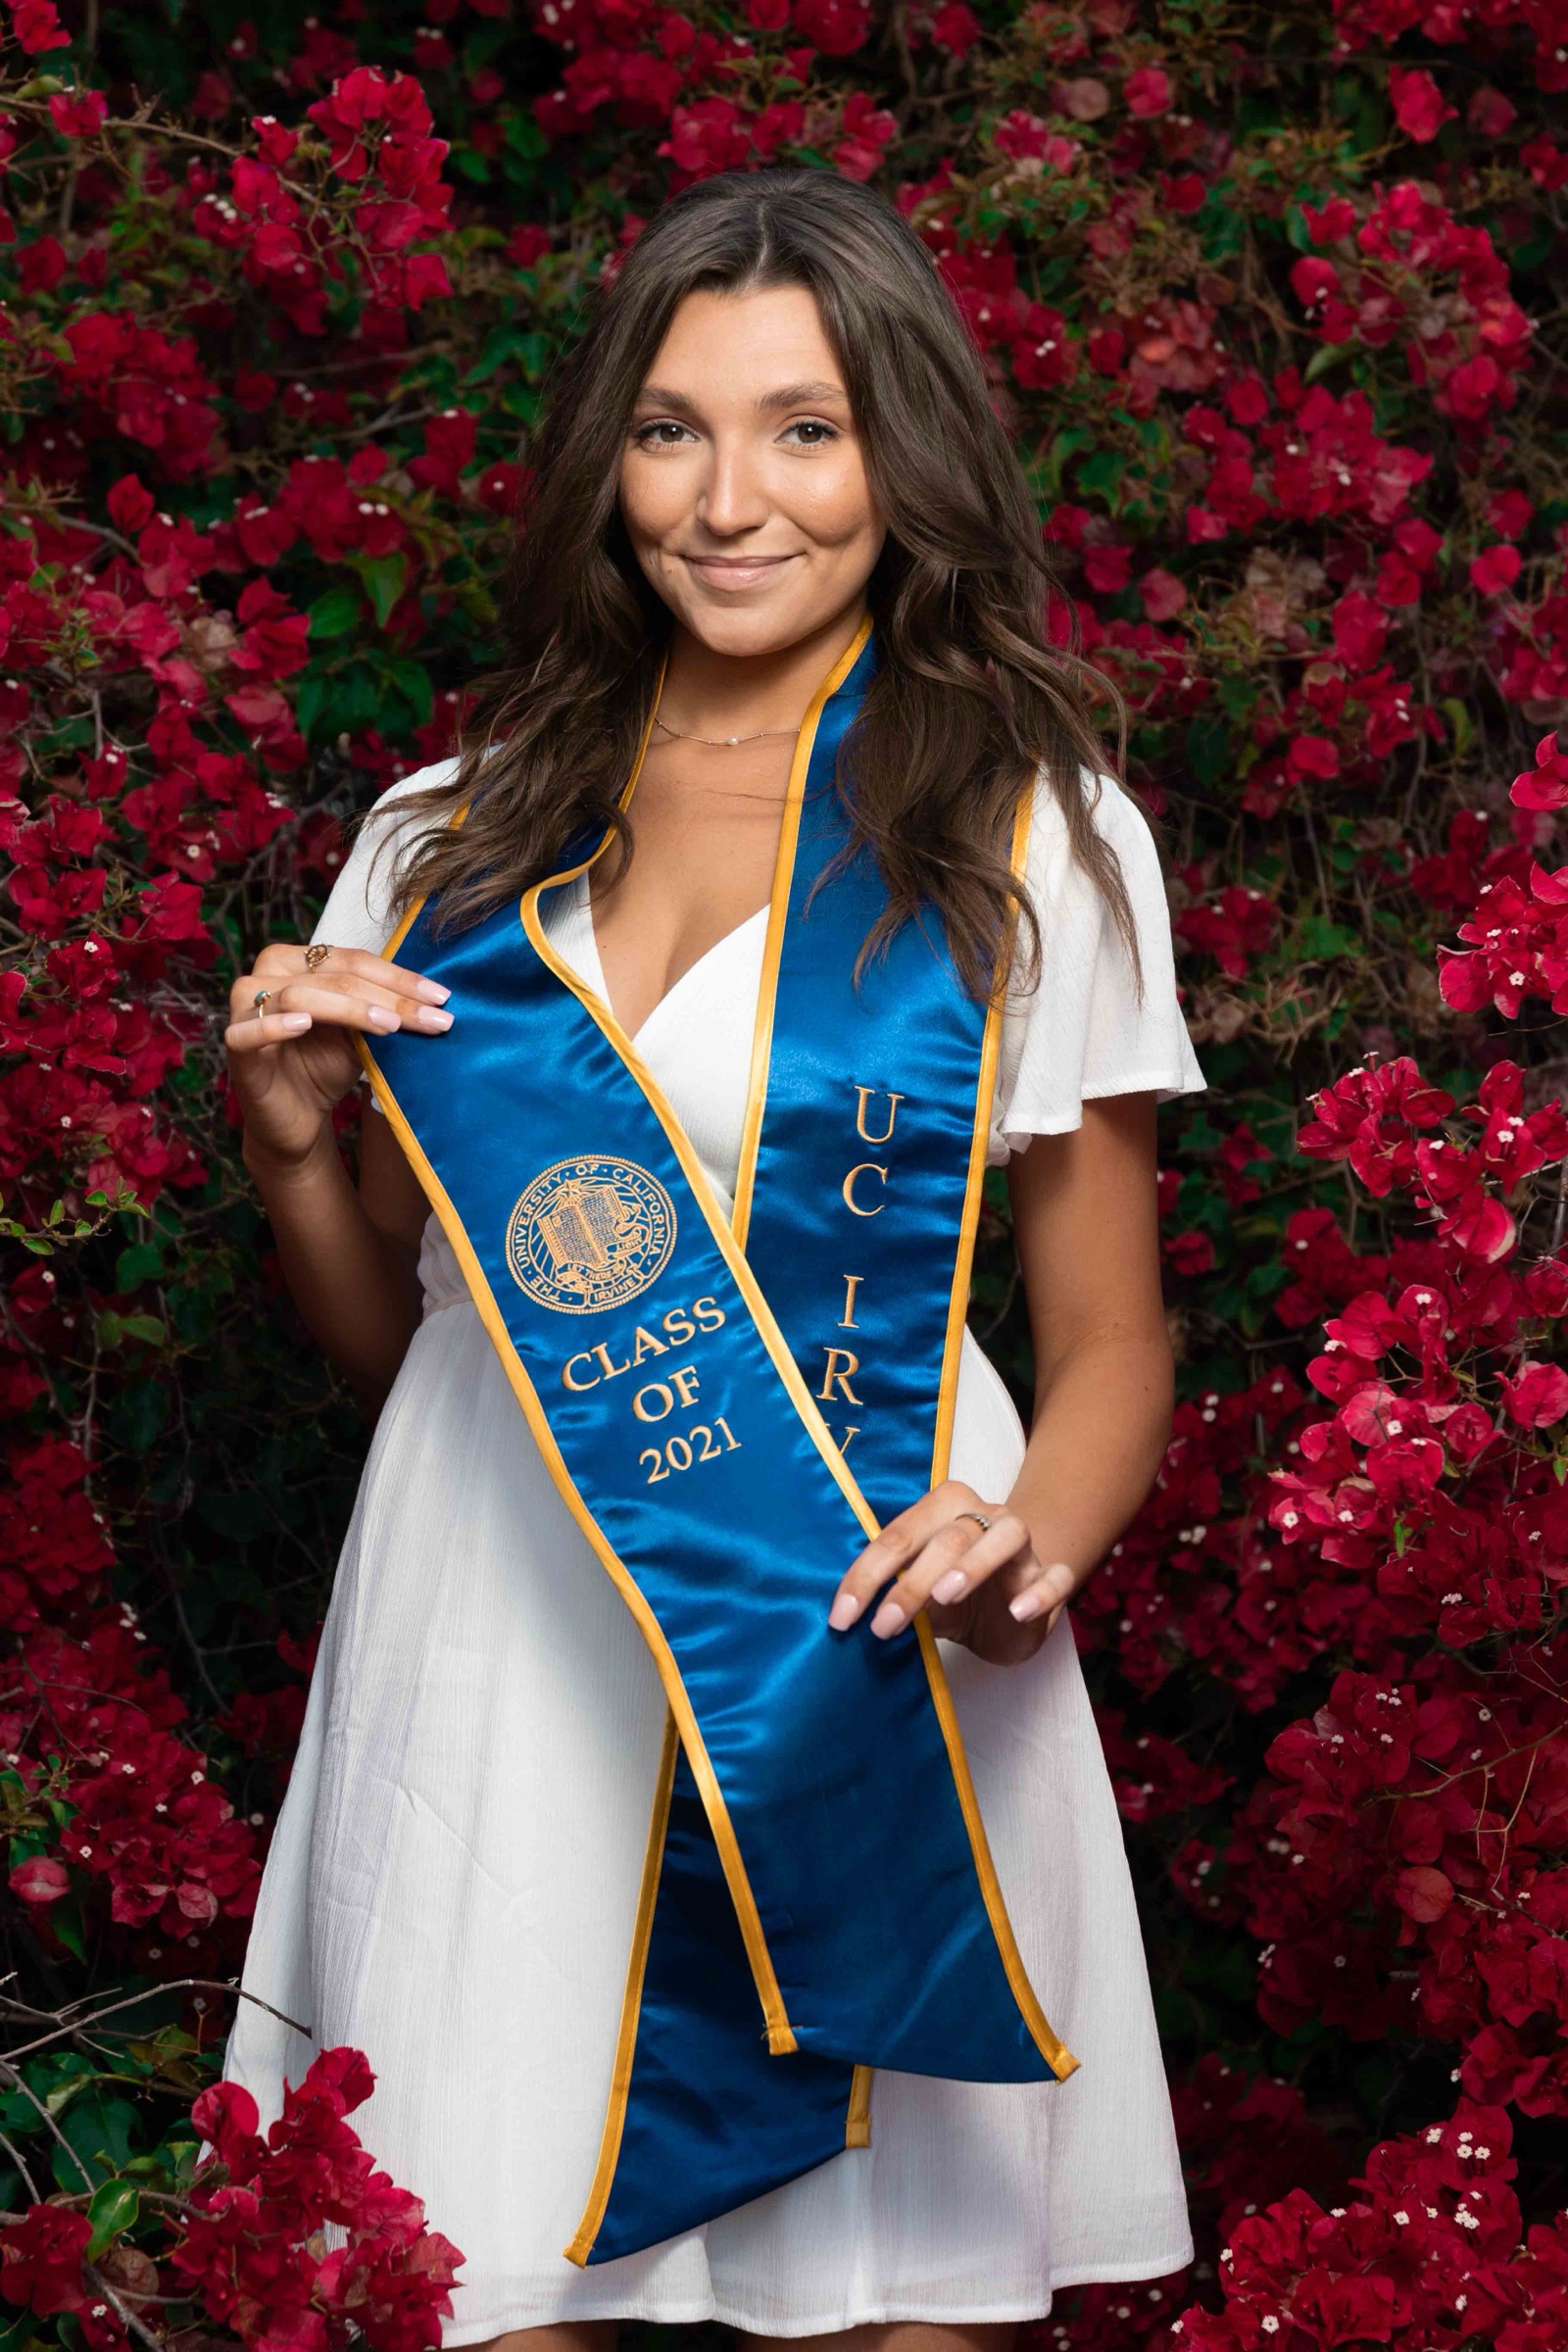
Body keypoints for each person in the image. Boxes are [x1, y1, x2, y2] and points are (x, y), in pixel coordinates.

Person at [220, 166, 1206, 2352]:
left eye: (803, 427)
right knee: (478, 2276)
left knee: (890, 2307)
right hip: (497, 1610)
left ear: (902, 454)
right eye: (671, 427)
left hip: (869, 1626)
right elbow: (408, 1339)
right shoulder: (446, 834)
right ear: (606, 459)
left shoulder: (1024, 824)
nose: (727, 498)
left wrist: (1020, 1542)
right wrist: (297, 1158)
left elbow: (1114, 1335)